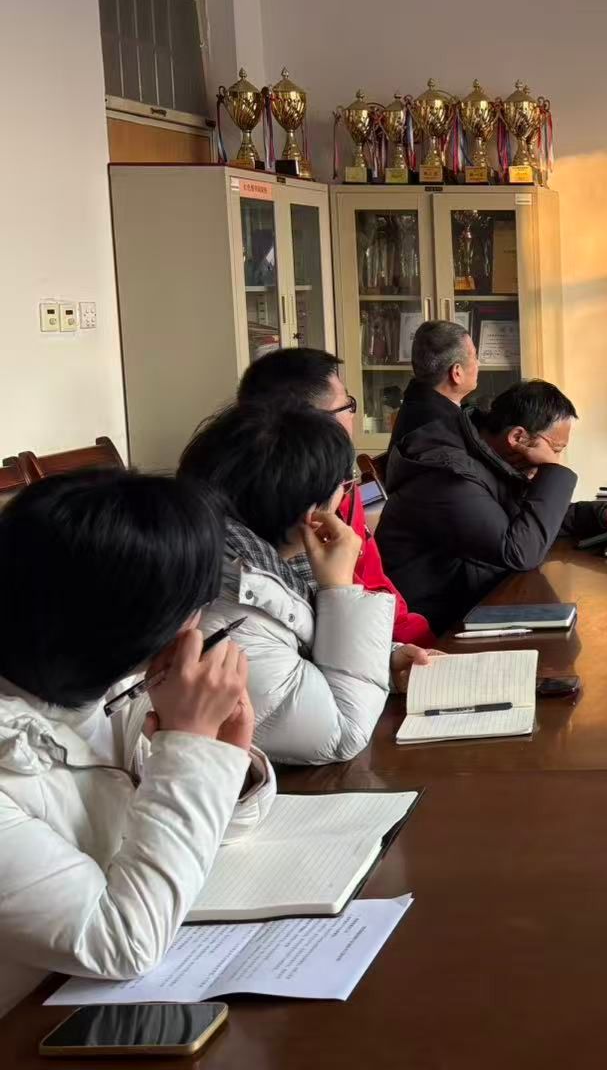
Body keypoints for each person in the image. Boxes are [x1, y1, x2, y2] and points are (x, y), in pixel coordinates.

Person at [0, 471, 275, 1015]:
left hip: (75, 1000)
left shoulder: (106, 688)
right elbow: (124, 943)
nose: (199, 626)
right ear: (128, 627)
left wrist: (225, 758)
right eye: (192, 608)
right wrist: (191, 745)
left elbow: (217, 836)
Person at [179, 402, 414, 765]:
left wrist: (387, 657)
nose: (347, 496)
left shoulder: (252, 562)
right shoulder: (228, 606)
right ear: (312, 515)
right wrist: (340, 591)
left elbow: (299, 642)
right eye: (346, 484)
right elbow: (341, 733)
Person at [379, 379, 607, 632]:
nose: (555, 459)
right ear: (517, 436)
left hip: (476, 598)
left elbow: (521, 517)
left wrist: (598, 514)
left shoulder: (484, 451)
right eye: (554, 449)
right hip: (437, 625)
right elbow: (518, 550)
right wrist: (553, 472)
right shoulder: (448, 472)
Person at [237, 347, 435, 648]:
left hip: (391, 633)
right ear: (314, 425)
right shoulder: (293, 514)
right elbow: (336, 628)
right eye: (348, 405)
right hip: (367, 641)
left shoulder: (342, 485)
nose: (353, 414)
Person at [388, 320, 480, 454]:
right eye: (474, 356)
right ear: (457, 373)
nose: (478, 363)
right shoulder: (441, 429)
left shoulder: (417, 403)